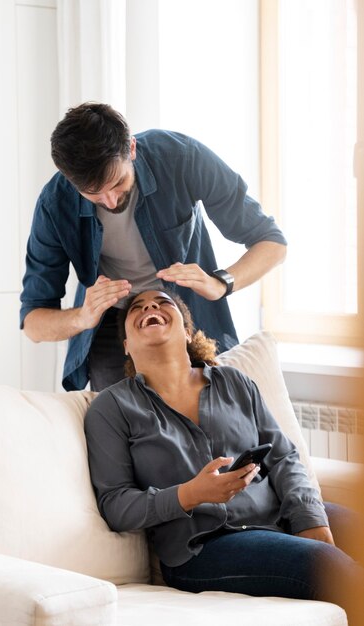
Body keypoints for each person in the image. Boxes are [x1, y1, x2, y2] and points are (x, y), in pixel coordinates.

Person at [84, 289, 364, 625]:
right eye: (138, 308)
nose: (150, 307)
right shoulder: (111, 408)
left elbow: (284, 456)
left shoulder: (235, 383)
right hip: (205, 548)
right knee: (328, 565)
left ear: (187, 331)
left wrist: (309, 518)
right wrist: (190, 494)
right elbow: (116, 504)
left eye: (162, 303)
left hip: (278, 519)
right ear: (126, 345)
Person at [20, 102, 287, 392]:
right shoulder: (54, 204)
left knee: (213, 415)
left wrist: (221, 283)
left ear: (131, 148)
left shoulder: (181, 157)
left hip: (188, 309)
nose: (110, 202)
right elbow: (33, 322)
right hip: (113, 324)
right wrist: (82, 316)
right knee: (120, 423)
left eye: (118, 183)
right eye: (94, 195)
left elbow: (272, 242)